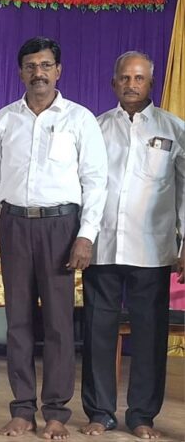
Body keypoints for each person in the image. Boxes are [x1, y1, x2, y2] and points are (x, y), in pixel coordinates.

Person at [0, 36, 108, 440]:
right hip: (14, 224)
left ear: (59, 71)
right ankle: (21, 410)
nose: (39, 73)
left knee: (58, 324)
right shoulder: (4, 120)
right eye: (31, 66)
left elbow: (96, 182)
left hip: (61, 227)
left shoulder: (79, 119)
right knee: (17, 322)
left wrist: (86, 236)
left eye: (46, 65)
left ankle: (55, 412)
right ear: (20, 72)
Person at [79, 51, 184, 440]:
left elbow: (184, 189)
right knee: (97, 332)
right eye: (124, 78)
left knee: (150, 336)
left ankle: (142, 415)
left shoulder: (174, 129)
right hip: (103, 246)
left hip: (152, 250)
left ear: (151, 83)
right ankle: (100, 412)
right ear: (113, 83)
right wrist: (83, 236)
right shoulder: (96, 127)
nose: (131, 84)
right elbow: (85, 185)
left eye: (139, 78)